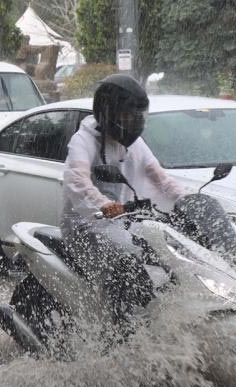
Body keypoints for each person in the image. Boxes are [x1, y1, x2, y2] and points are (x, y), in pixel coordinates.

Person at [60, 74, 186, 335]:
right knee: (129, 269)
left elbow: (160, 178)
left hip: (125, 225)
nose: (135, 122)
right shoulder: (83, 141)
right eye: (129, 116)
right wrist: (104, 204)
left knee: (167, 262)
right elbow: (77, 179)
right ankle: (116, 332)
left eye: (139, 116)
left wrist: (186, 200)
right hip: (87, 227)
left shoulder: (135, 144)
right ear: (108, 113)